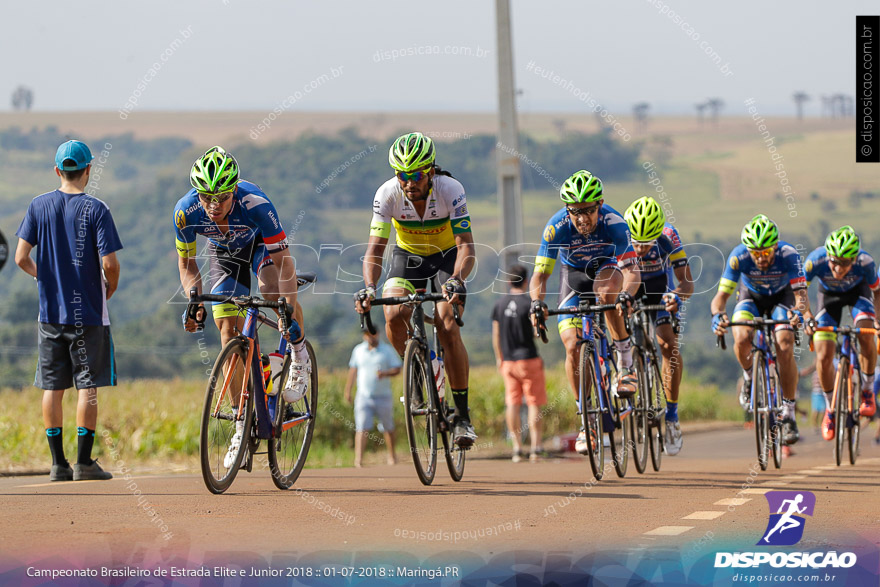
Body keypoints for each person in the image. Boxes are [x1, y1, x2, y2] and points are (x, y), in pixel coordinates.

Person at [174, 146, 307, 469]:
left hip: (260, 247)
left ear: (234, 190)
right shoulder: (185, 211)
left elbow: (284, 263)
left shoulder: (256, 205)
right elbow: (188, 264)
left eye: (221, 197)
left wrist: (286, 309)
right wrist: (194, 301)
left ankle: (299, 355)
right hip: (224, 257)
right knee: (227, 332)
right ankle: (239, 422)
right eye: (206, 197)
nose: (213, 205)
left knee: (269, 290)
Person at [354, 132, 477, 447]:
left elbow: (467, 247)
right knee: (393, 313)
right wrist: (369, 287)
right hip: (408, 258)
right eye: (401, 174)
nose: (409, 181)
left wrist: (457, 279)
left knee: (448, 324)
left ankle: (462, 417)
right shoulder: (387, 195)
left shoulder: (451, 190)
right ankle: (418, 370)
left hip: (448, 258)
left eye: (416, 174)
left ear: (431, 171)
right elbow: (375, 251)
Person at [14, 140, 122, 481]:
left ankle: (57, 464)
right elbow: (110, 263)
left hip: (49, 314)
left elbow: (20, 258)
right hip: (88, 313)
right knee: (87, 387)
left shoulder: (37, 206)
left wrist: (43, 276)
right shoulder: (97, 209)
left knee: (52, 387)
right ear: (88, 170)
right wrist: (109, 287)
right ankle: (84, 462)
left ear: (58, 170)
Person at [529, 170, 641, 455]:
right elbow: (540, 277)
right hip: (573, 277)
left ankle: (625, 363)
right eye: (575, 212)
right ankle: (586, 419)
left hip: (606, 269)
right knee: (571, 346)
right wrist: (536, 303)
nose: (582, 219)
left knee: (608, 296)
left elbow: (632, 272)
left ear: (600, 204)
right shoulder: (556, 227)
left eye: (588, 211)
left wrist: (626, 295)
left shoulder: (615, 223)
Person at [710, 214, 807, 448]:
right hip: (750, 297)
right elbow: (720, 299)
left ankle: (789, 411)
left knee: (784, 341)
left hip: (781, 299)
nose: (761, 258)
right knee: (742, 336)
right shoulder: (739, 256)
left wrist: (799, 312)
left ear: (775, 246)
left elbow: (801, 296)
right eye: (756, 253)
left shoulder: (789, 255)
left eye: (766, 252)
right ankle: (749, 377)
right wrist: (717, 316)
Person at [623, 196, 694, 455]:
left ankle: (672, 417)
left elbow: (687, 284)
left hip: (658, 290)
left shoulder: (668, 236)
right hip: (628, 287)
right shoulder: (618, 231)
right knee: (616, 329)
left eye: (647, 243)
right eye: (636, 243)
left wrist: (676, 296)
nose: (640, 250)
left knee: (668, 344)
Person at [800, 226, 880, 441]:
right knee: (824, 355)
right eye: (834, 261)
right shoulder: (815, 260)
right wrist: (807, 315)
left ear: (854, 259)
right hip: (829, 299)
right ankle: (830, 409)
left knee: (866, 332)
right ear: (827, 256)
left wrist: (878, 321)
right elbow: (800, 291)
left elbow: (877, 292)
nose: (838, 268)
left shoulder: (866, 263)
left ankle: (867, 391)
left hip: (858, 296)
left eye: (845, 263)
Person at [492, 264, 547, 462]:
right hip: (529, 358)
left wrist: (499, 357)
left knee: (512, 403)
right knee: (534, 403)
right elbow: (536, 331)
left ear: (508, 281)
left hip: (508, 360)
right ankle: (536, 446)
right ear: (526, 281)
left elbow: (496, 335)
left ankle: (516, 448)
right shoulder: (529, 304)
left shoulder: (499, 304)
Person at [343, 331, 402, 467]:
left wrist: (385, 373)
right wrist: (348, 390)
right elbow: (353, 370)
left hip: (383, 396)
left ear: (378, 334)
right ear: (365, 336)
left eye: (373, 334)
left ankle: (392, 456)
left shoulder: (387, 350)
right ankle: (359, 460)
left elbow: (398, 368)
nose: (371, 337)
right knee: (361, 427)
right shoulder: (358, 350)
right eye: (368, 335)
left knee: (388, 427)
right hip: (363, 395)